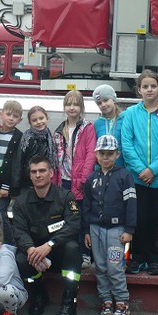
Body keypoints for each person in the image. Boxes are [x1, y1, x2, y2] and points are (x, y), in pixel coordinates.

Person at [12, 155, 81, 315]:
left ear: (51, 173)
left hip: (58, 253)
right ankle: (38, 293)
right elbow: (19, 231)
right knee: (20, 259)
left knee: (72, 248)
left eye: (42, 170)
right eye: (34, 172)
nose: (38, 175)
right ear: (30, 175)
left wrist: (49, 245)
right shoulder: (21, 202)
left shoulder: (65, 197)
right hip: (36, 256)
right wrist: (30, 250)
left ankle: (69, 303)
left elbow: (74, 225)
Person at [120, 70, 158, 276]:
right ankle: (136, 259)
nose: (149, 89)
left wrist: (153, 169)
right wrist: (141, 169)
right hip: (136, 178)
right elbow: (126, 144)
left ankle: (153, 259)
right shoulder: (131, 114)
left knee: (155, 220)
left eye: (153, 86)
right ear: (139, 90)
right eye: (145, 86)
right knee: (137, 219)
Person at [83, 135, 136, 315]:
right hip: (96, 229)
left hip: (116, 229)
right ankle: (106, 300)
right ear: (96, 154)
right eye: (102, 153)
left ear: (117, 154)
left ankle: (121, 301)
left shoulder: (124, 176)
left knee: (115, 265)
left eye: (110, 154)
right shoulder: (91, 179)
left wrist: (129, 230)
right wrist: (86, 231)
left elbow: (131, 204)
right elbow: (87, 206)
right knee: (100, 266)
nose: (106, 157)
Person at [52, 90, 96, 265]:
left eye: (76, 104)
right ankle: (66, 253)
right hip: (64, 180)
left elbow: (90, 154)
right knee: (65, 218)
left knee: (82, 217)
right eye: (68, 104)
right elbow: (56, 159)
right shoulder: (59, 130)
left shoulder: (87, 128)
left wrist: (83, 180)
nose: (72, 107)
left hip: (80, 181)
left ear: (81, 107)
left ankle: (85, 253)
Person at [0, 100, 24, 214]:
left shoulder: (19, 137)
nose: (11, 118)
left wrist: (6, 186)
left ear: (20, 120)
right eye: (8, 114)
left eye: (15, 116)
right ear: (1, 114)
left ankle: (6, 232)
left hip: (5, 184)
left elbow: (15, 165)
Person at [19, 106, 58, 189]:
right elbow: (20, 161)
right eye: (34, 120)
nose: (39, 122)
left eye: (41, 118)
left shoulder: (49, 136)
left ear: (46, 118)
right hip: (29, 181)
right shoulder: (27, 138)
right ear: (30, 123)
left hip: (46, 179)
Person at [93, 84, 125, 167]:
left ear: (113, 99)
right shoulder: (97, 123)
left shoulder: (125, 119)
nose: (103, 105)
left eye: (106, 100)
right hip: (102, 171)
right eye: (99, 103)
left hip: (122, 170)